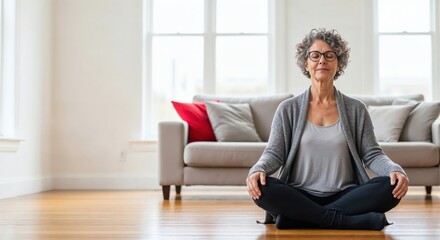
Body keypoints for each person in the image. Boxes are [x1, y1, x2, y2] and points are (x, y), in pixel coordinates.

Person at [246, 28, 409, 230]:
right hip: (299, 194)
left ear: (338, 63)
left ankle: (298, 220)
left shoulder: (356, 109)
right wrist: (258, 169)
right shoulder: (287, 109)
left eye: (329, 55)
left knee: (389, 186)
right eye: (315, 55)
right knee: (263, 187)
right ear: (306, 63)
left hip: (345, 195)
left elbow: (372, 154)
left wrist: (395, 169)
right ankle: (346, 221)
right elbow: (274, 153)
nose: (322, 60)